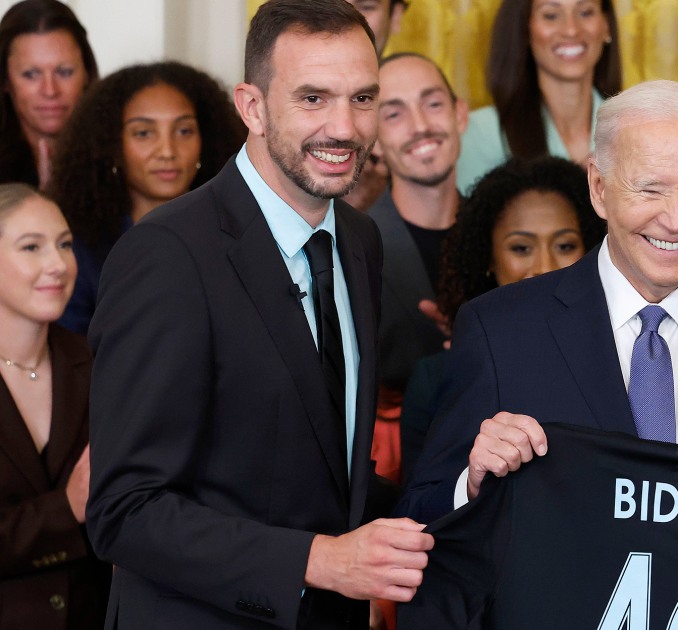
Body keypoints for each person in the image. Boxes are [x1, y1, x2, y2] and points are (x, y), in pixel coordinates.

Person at [85, 1, 432, 627]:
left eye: (361, 99)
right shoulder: (168, 255)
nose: (345, 128)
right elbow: (123, 510)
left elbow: (323, 469)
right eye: (312, 99)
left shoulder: (358, 240)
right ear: (252, 107)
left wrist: (466, 487)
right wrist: (319, 561)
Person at [398, 80, 678, 525]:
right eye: (650, 189)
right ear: (599, 187)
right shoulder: (499, 331)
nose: (676, 220)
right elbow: (421, 515)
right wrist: (473, 484)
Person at [400, 155, 606, 485]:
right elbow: (417, 512)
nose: (544, 266)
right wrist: (469, 485)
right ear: (488, 259)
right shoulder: (435, 378)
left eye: (565, 245)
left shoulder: (630, 357)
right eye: (521, 248)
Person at [50, 61, 244, 335]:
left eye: (184, 131)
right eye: (143, 133)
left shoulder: (239, 233)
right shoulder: (81, 250)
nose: (167, 150)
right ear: (113, 144)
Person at [0, 184, 108, 629]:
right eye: (32, 247)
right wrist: (66, 509)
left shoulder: (100, 362)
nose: (58, 265)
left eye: (65, 244)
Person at [366, 51, 467, 484]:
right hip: (393, 479)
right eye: (394, 113)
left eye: (433, 103)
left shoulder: (510, 236)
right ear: (370, 139)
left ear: (460, 114)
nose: (420, 125)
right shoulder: (353, 248)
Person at [455, 0, 621, 192]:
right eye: (551, 15)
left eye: (585, 13)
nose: (571, 30)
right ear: (524, 29)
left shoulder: (633, 126)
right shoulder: (480, 133)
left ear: (606, 25)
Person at [0, 0, 97, 189]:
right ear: (5, 80)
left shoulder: (120, 154)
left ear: (86, 73)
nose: (50, 90)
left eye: (65, 72)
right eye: (31, 74)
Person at [341, 0, 408, 211]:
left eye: (366, 7)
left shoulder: (421, 118)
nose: (347, 19)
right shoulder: (274, 108)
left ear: (395, 16)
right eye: (332, 4)